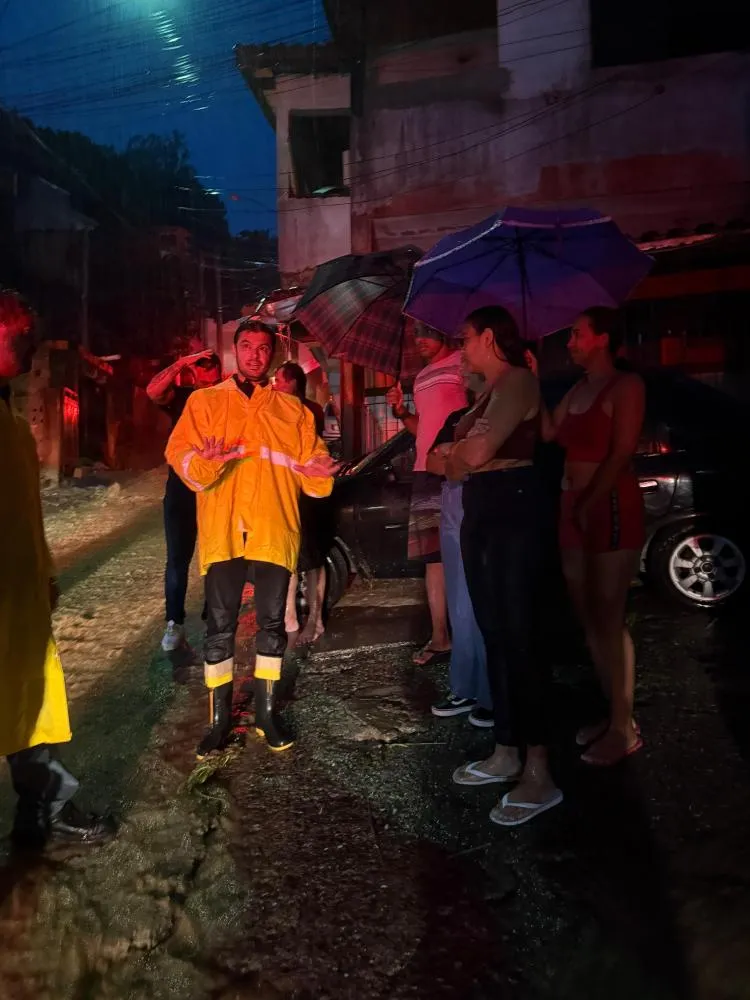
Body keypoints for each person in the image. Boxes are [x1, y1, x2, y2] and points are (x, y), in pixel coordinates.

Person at [166, 321, 337, 758]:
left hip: (274, 530)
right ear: (233, 350)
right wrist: (204, 465)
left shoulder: (293, 411)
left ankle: (265, 712)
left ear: (274, 355)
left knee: (273, 627)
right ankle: (220, 719)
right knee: (219, 629)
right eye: (247, 346)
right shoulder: (204, 403)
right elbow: (179, 457)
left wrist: (319, 473)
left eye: (264, 349)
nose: (255, 355)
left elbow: (312, 464)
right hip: (223, 531)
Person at [1, 288, 112, 849]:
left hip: (19, 598)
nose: (29, 344)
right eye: (20, 334)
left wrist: (43, 573)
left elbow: (23, 511)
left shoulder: (9, 414)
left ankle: (39, 811)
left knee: (31, 704)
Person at [442, 306, 561, 828]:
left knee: (520, 635)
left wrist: (461, 452)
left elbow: (472, 451)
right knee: (495, 632)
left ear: (489, 337)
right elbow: (440, 458)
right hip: (485, 509)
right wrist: (459, 453)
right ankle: (507, 747)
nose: (460, 350)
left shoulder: (515, 382)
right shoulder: (487, 394)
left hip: (512, 510)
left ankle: (540, 771)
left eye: (464, 339)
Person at [541, 307, 645, 766]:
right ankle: (615, 715)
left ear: (602, 338)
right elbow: (547, 432)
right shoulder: (578, 389)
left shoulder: (626, 386)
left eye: (577, 334)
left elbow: (621, 452)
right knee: (588, 616)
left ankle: (624, 730)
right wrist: (527, 377)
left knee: (608, 614)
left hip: (609, 503)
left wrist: (586, 504)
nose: (570, 342)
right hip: (573, 505)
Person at [386, 325, 466, 667]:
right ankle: (440, 636)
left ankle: (469, 638)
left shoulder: (464, 363)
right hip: (424, 470)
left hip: (455, 469)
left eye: (427, 332)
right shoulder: (420, 377)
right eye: (416, 333)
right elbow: (425, 428)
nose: (419, 339)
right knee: (433, 559)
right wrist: (403, 413)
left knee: (462, 555)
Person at [147, 349, 222, 651]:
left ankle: (214, 619)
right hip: (180, 493)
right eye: (200, 370)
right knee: (177, 560)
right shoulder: (184, 398)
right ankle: (174, 623)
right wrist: (181, 362)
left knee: (217, 557)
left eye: (210, 370)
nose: (205, 377)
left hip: (216, 491)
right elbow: (153, 391)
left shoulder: (226, 400)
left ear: (218, 372)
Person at [426, 401, 492, 728]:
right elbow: (431, 461)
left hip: (485, 507)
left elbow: (479, 461)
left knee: (485, 600)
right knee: (460, 602)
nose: (463, 363)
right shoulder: (457, 415)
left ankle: (494, 693)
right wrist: (457, 457)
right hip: (453, 510)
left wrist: (453, 454)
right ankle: (466, 685)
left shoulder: (502, 406)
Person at [273, 361, 330, 646]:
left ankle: (315, 621)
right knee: (291, 562)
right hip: (286, 496)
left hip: (307, 495)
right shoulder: (276, 411)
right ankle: (290, 619)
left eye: (280, 381)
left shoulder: (306, 411)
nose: (276, 386)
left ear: (293, 383)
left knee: (311, 561)